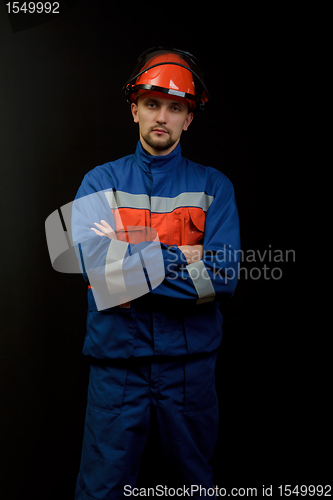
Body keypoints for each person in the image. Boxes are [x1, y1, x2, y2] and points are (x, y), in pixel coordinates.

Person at [72, 47, 240, 499]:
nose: (161, 116)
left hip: (189, 371)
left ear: (189, 118)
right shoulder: (97, 183)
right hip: (116, 369)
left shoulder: (214, 187)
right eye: (151, 103)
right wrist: (182, 258)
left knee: (193, 487)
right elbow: (97, 270)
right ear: (134, 110)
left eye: (175, 107)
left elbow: (222, 277)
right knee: (101, 489)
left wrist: (130, 260)